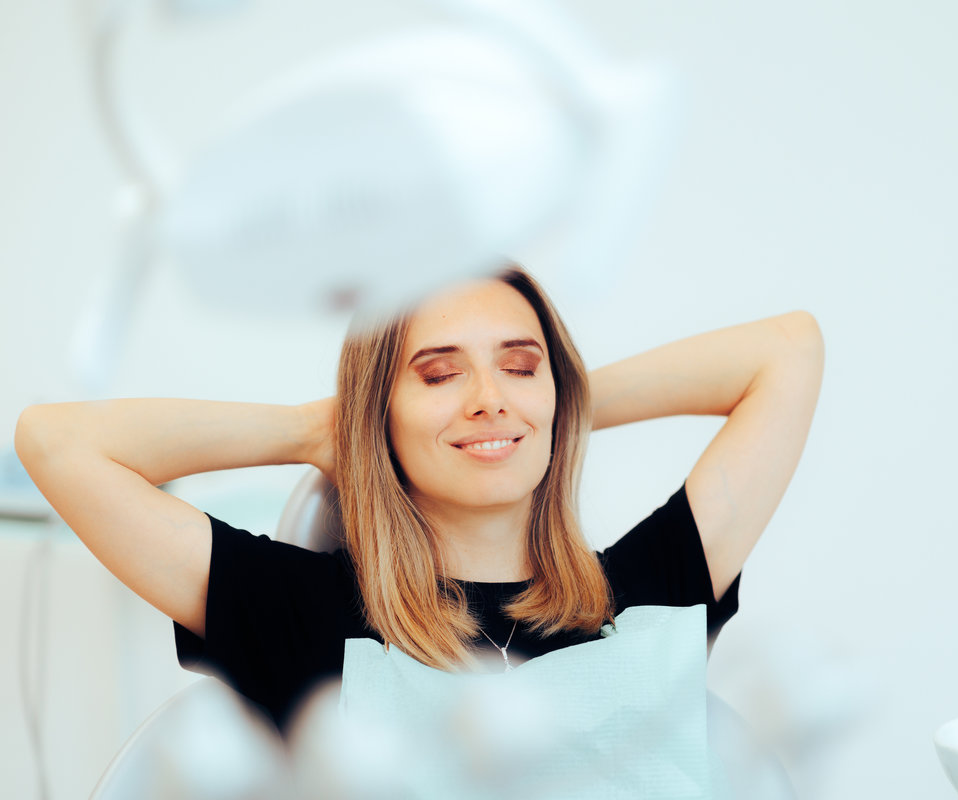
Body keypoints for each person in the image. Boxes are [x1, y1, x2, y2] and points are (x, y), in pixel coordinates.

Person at [15, 264, 824, 793]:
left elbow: (787, 350)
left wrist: (552, 406)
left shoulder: (656, 590)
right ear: (380, 415)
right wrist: (315, 429)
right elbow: (59, 442)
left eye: (519, 363)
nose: (487, 395)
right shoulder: (302, 616)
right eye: (439, 374)